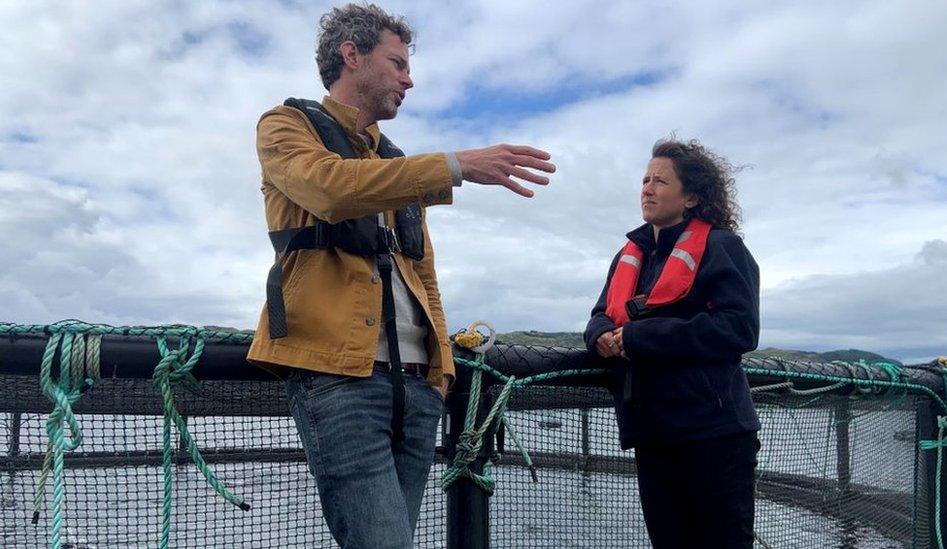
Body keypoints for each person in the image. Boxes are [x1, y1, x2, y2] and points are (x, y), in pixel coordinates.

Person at [245, 4, 555, 548]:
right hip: (340, 379)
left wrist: (442, 368)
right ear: (351, 56)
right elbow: (329, 188)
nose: (409, 80)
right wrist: (456, 165)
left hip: (418, 388)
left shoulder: (397, 162)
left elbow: (423, 273)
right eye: (397, 64)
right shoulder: (284, 125)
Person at [584, 138, 761, 548]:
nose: (647, 188)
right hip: (654, 435)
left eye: (660, 181)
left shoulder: (722, 247)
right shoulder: (631, 255)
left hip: (714, 435)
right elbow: (599, 316)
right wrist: (601, 339)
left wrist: (640, 336)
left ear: (692, 197)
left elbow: (739, 329)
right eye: (645, 179)